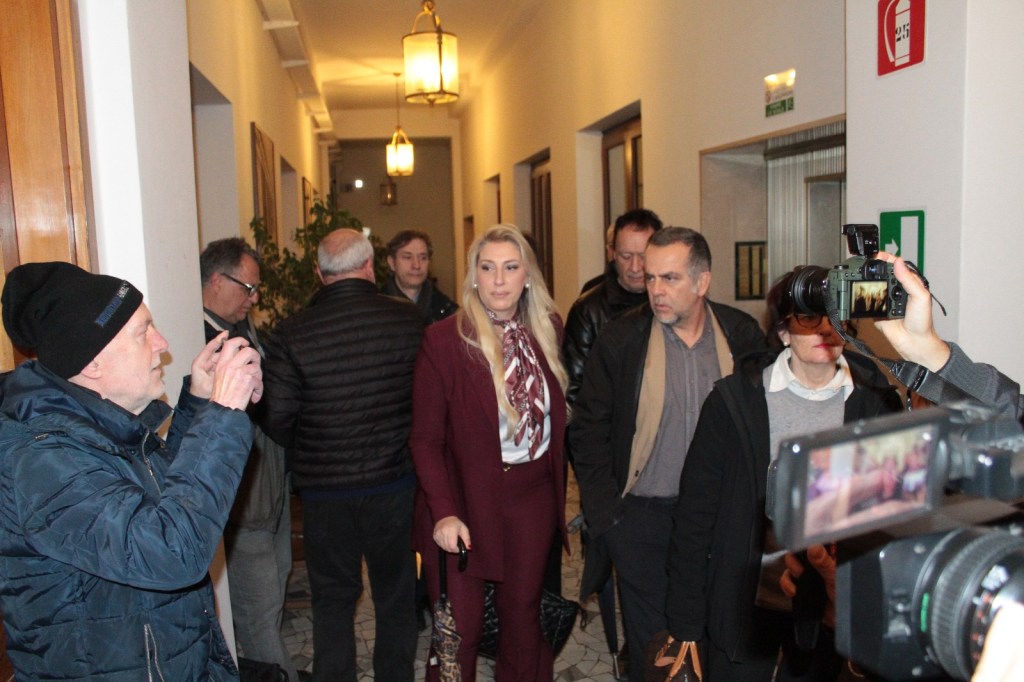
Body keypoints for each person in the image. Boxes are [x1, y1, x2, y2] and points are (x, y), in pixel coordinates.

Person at [0, 261, 262, 680]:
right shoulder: (42, 458)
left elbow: (159, 501)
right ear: (92, 363)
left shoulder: (98, 426)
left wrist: (197, 404)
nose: (162, 343)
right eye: (143, 333)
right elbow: (172, 553)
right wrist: (223, 415)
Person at [664, 267, 902, 680]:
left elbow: (892, 518)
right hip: (746, 605)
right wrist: (686, 620)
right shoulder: (733, 401)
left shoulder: (873, 403)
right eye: (808, 318)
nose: (825, 329)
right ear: (784, 331)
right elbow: (695, 517)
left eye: (835, 318)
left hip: (830, 608)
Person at [570, 226, 765, 682]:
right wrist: (608, 517)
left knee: (718, 632)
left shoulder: (740, 335)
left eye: (669, 278)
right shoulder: (623, 340)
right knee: (655, 645)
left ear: (701, 282)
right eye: (651, 277)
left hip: (720, 519)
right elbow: (588, 429)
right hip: (642, 519)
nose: (655, 288)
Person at [261, 229, 424, 682]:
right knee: (396, 594)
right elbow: (429, 402)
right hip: (395, 483)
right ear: (371, 266)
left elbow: (277, 419)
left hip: (324, 493)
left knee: (332, 598)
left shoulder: (291, 333)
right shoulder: (408, 320)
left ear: (319, 273)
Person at [410, 224, 569, 682]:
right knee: (459, 630)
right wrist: (443, 513)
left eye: (510, 267)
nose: (499, 280)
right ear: (473, 277)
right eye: (487, 268)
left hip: (530, 498)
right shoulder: (445, 339)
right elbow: (425, 440)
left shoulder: (547, 329)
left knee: (521, 620)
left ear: (527, 277)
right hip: (462, 503)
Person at [200, 238, 298, 680]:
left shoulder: (241, 329)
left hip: (269, 493)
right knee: (258, 616)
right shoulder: (201, 339)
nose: (253, 298)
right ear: (217, 281)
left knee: (273, 596)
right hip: (244, 504)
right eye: (247, 288)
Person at [564, 208, 663, 404]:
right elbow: (575, 387)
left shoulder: (672, 302)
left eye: (642, 257)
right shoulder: (588, 311)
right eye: (626, 256)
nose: (635, 268)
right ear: (612, 253)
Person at [382, 229, 458, 324]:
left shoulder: (448, 312)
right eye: (407, 257)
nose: (416, 265)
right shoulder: (375, 309)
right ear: (392, 262)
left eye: (423, 258)